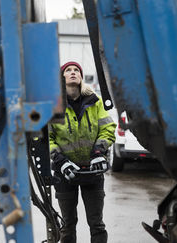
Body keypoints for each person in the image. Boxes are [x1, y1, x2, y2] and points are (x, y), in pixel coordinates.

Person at [49, 61, 116, 243]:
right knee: (68, 224)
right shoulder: (54, 105)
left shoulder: (95, 102)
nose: (73, 72)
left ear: (81, 77)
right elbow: (47, 138)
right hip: (65, 173)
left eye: (76, 70)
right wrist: (60, 161)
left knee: (97, 224)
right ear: (62, 78)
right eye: (68, 70)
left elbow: (108, 128)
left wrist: (98, 152)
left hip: (92, 172)